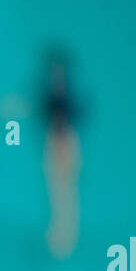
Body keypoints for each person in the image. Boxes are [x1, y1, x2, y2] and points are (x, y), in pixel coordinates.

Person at [41, 49, 81, 260]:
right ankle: (60, 235)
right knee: (57, 190)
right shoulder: (47, 93)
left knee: (65, 190)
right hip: (56, 141)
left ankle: (67, 237)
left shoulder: (69, 97)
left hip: (63, 141)